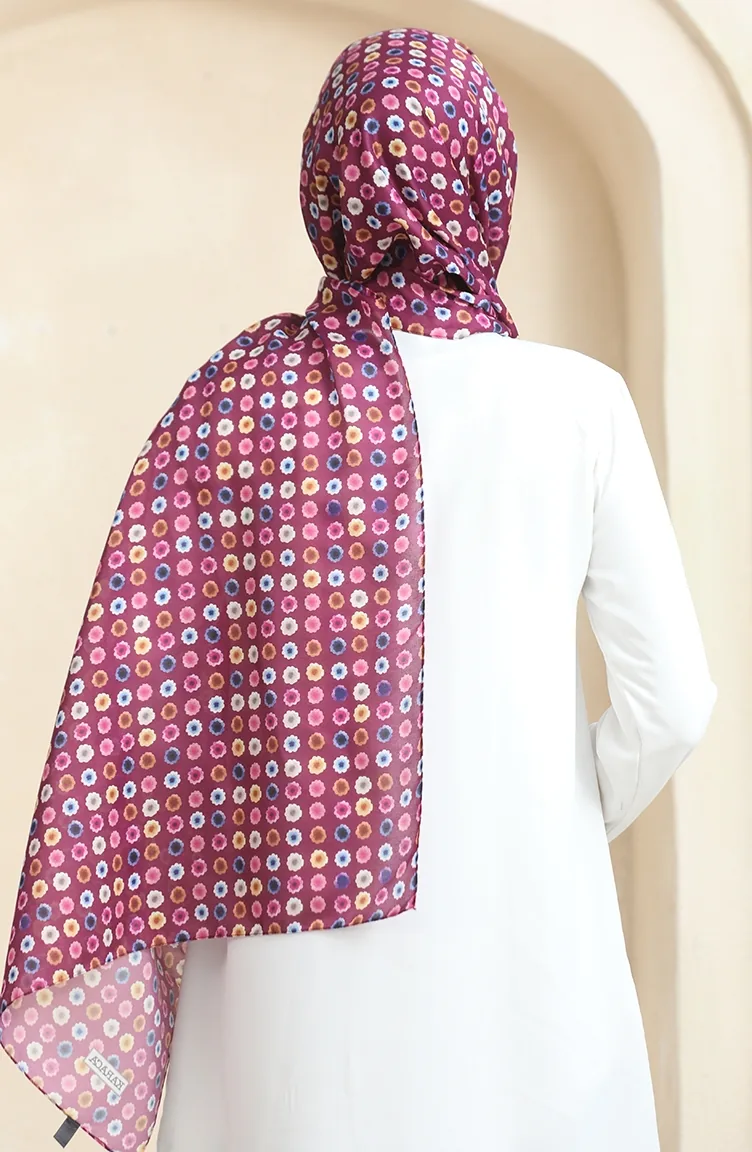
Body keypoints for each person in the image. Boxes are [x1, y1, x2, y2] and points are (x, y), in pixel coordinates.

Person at [1, 26, 716, 1152]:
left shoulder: (240, 405)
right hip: (526, 954)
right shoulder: (579, 406)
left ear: (324, 181)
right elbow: (671, 703)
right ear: (484, 176)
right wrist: (550, 805)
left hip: (281, 974)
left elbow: (158, 715)